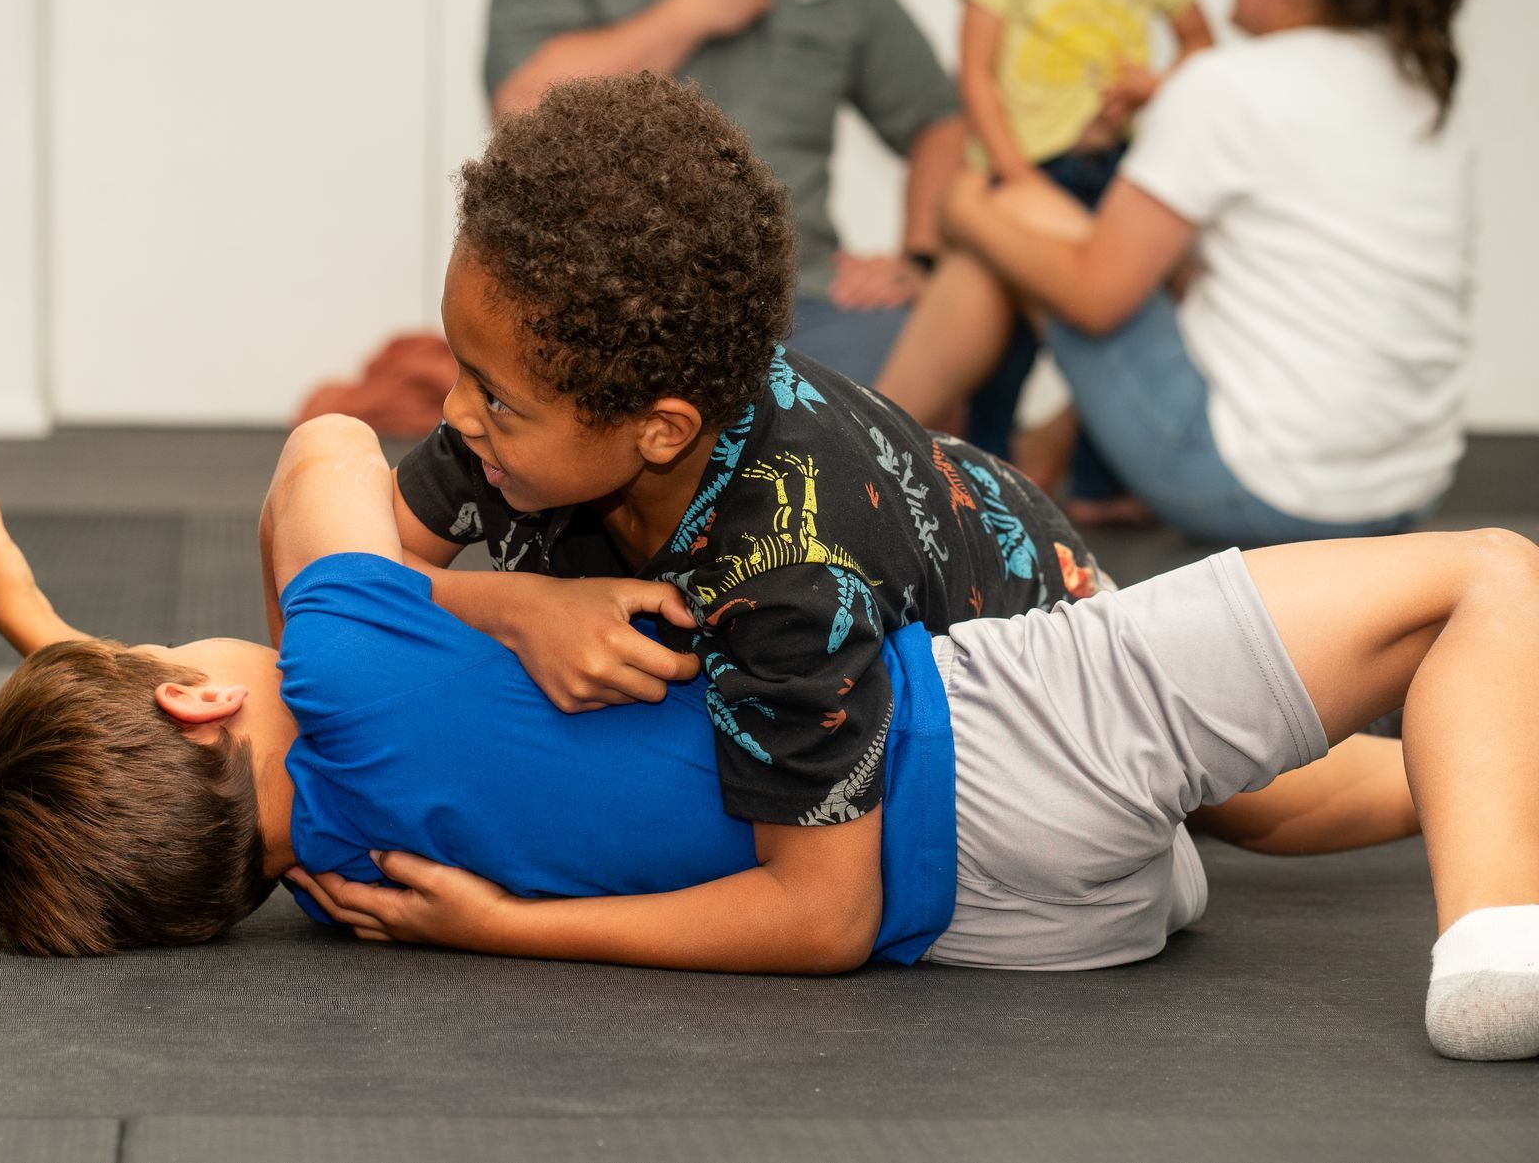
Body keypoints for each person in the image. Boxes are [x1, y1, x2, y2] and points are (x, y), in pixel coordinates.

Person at [0, 415, 1539, 1062]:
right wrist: (494, 605)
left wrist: (49, 636)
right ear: (196, 696)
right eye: (161, 655)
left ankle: (1508, 810)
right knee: (1481, 578)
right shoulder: (346, 658)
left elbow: (161, 787)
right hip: (994, 735)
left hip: (1023, 928)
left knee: (1248, 794)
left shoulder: (337, 882)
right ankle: (1489, 941)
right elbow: (328, 452)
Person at [394, 72, 1105, 945]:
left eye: (492, 394)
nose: (455, 412)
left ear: (660, 430)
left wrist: (505, 926)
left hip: (1060, 646)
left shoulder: (789, 571)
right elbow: (334, 583)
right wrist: (513, 604)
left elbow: (825, 916)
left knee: (1252, 805)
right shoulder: (513, 430)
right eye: (459, 366)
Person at [877, 0, 1469, 546]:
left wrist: (960, 208)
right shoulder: (1416, 85)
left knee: (1008, 214)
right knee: (1147, 258)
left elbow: (1095, 297)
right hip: (1407, 491)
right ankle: (1021, 447)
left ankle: (856, 454)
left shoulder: (1229, 86)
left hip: (1258, 490)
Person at [484, 0, 965, 381]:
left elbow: (940, 120)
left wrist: (920, 259)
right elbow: (520, 115)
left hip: (810, 309)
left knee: (955, 330)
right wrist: (687, 14)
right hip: (615, 314)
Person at [955, 0, 1213, 520]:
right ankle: (986, 483)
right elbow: (976, 75)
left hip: (1117, 167)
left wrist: (1154, 84)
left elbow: (1202, 46)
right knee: (1007, 337)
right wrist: (1016, 176)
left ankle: (1101, 486)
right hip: (1033, 165)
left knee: (1114, 330)